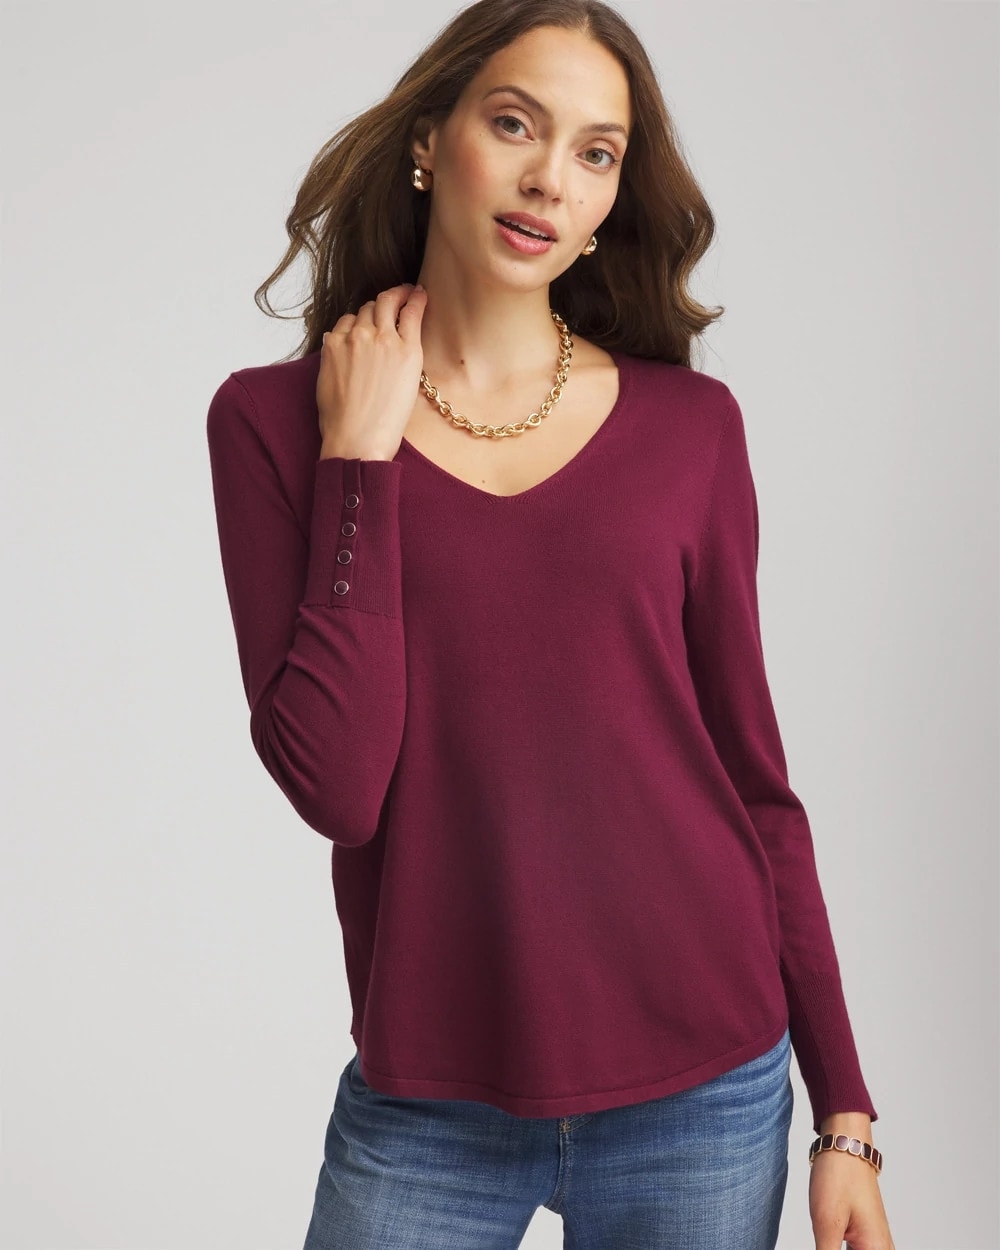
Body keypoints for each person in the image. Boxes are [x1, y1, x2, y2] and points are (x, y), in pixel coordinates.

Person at [206, 2, 896, 1247]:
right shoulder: (274, 424)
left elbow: (753, 780)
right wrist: (358, 459)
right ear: (430, 140)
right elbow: (339, 786)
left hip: (704, 1089)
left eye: (595, 152)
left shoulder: (690, 429)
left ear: (610, 198)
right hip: (428, 1097)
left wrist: (842, 1111)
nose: (548, 181)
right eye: (515, 124)